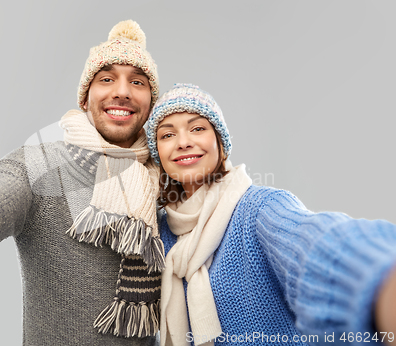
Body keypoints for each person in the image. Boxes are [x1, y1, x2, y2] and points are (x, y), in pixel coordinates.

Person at [0, 20, 164, 345]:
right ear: (85, 98)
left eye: (137, 81)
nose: (122, 91)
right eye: (106, 78)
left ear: (151, 102)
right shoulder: (40, 163)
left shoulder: (164, 177)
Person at [145, 83, 396, 346]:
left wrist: (378, 278)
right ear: (158, 154)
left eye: (197, 128)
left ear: (219, 141)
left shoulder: (260, 209)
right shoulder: (159, 234)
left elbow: (316, 247)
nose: (183, 142)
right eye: (167, 135)